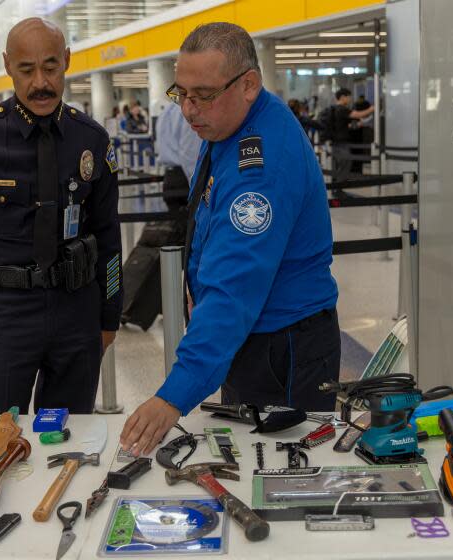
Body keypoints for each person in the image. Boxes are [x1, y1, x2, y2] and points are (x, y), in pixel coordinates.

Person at [120, 22, 340, 455]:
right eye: (180, 93)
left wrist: (173, 396)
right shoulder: (227, 124)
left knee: (286, 472)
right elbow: (210, 222)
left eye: (202, 95)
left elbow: (233, 290)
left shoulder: (260, 168)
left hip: (284, 348)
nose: (188, 109)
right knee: (248, 459)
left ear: (249, 85)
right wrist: (195, 284)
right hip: (250, 336)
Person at [0, 17, 122, 413]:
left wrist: (109, 315)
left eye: (50, 67)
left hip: (77, 310)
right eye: (26, 70)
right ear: (8, 65)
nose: (40, 83)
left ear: (66, 60)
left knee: (68, 437)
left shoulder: (92, 140)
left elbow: (109, 236)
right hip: (5, 313)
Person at [155, 101, 202, 213]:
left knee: (178, 227)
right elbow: (189, 153)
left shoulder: (167, 110)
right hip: (185, 178)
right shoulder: (188, 111)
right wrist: (197, 187)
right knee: (189, 227)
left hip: (170, 178)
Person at [325, 88, 374, 182]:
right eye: (348, 97)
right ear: (343, 97)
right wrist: (371, 109)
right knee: (344, 165)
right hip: (341, 144)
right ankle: (338, 188)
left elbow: (343, 125)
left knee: (340, 166)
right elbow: (358, 115)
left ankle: (337, 188)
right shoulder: (342, 109)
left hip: (336, 142)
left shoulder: (334, 109)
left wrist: (356, 125)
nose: (350, 99)